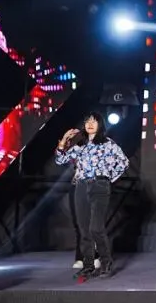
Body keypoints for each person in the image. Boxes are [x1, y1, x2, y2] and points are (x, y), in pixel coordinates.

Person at [55, 113, 130, 279]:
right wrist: (64, 139)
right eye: (87, 121)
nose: (90, 124)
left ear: (100, 124)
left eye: (94, 121)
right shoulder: (80, 145)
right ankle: (88, 265)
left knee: (96, 227)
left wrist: (109, 178)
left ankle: (106, 261)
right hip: (81, 186)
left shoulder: (108, 144)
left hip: (100, 185)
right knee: (84, 229)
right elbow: (60, 160)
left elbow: (124, 162)